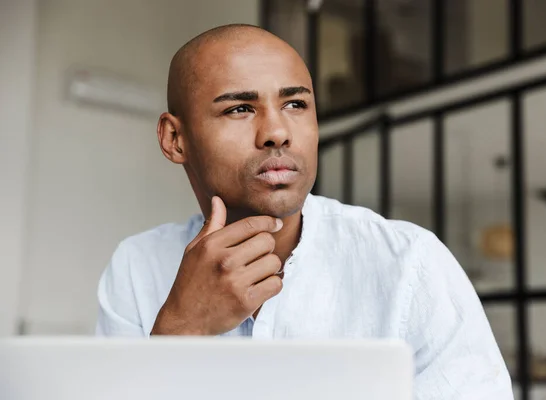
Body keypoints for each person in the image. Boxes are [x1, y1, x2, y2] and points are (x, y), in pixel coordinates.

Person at [96, 24, 513, 399]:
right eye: (240, 108)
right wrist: (181, 330)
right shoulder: (136, 266)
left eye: (295, 104)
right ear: (175, 139)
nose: (277, 132)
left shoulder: (410, 264)